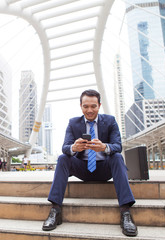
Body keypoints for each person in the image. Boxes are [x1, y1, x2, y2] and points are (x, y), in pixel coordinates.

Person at [42, 89, 137, 237]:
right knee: (62, 158)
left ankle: (125, 213)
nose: (90, 110)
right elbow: (65, 147)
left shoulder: (110, 121)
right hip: (82, 168)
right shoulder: (73, 123)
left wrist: (104, 147)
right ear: (81, 106)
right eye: (86, 106)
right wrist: (74, 147)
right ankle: (55, 210)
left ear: (99, 105)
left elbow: (118, 146)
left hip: (104, 168)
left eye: (93, 106)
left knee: (118, 157)